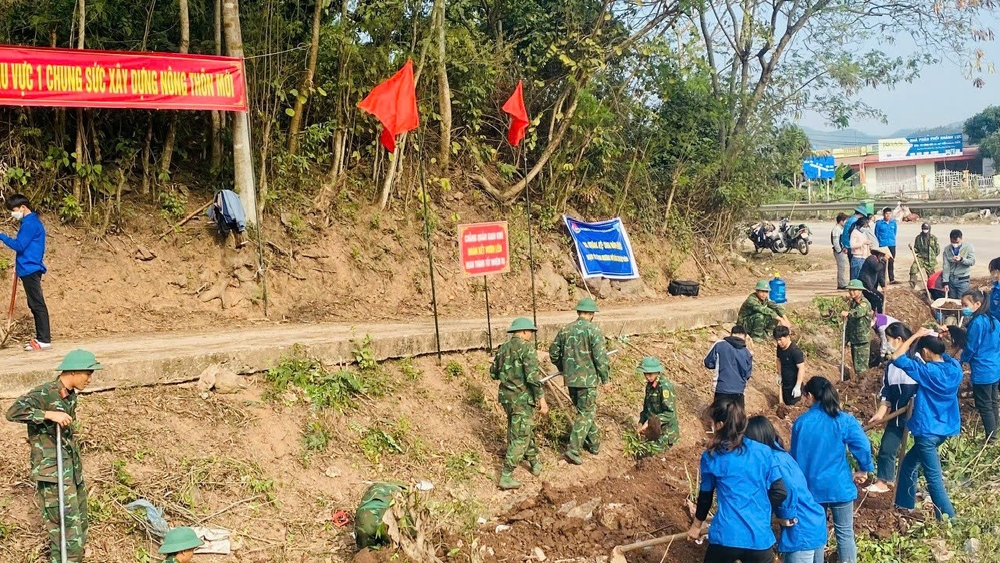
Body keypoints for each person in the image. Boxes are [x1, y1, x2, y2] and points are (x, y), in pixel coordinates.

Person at [5, 349, 103, 563]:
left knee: (79, 527)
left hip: (70, 470)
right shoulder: (45, 392)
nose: (90, 379)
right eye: (88, 373)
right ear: (74, 372)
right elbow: (12, 412)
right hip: (53, 472)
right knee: (65, 532)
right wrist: (48, 414)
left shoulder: (70, 397)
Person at [687, 400, 787, 563]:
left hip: (727, 535)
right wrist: (762, 512)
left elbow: (706, 496)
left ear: (719, 425)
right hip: (759, 538)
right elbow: (780, 490)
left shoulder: (712, 456)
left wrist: (696, 526)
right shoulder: (763, 452)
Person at [790, 377, 873, 563]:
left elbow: (794, 457)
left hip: (811, 488)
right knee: (844, 532)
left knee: (817, 533)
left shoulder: (801, 423)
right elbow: (863, 445)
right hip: (839, 485)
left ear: (809, 395)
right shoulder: (843, 420)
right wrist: (864, 468)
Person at [889, 329, 961, 520]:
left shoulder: (927, 371)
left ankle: (949, 519)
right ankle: (904, 505)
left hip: (927, 431)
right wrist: (936, 338)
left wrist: (916, 335)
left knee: (934, 479)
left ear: (927, 351)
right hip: (944, 429)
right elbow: (943, 355)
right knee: (908, 464)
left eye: (922, 352)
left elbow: (897, 357)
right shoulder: (954, 369)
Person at [745, 416, 827, 563]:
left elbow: (787, 490)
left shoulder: (773, 461)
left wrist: (784, 515)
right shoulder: (782, 454)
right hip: (813, 523)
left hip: (801, 527)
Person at [548, 298, 609, 466]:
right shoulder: (594, 331)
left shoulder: (565, 330)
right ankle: (573, 450)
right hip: (587, 380)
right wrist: (606, 379)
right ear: (591, 314)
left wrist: (564, 367)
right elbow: (600, 358)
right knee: (586, 413)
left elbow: (553, 352)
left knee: (583, 412)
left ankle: (595, 443)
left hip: (571, 380)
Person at [490, 317, 548, 489]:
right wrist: (542, 400)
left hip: (506, 398)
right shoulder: (527, 349)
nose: (531, 334)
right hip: (521, 399)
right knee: (521, 436)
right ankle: (506, 475)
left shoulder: (503, 348)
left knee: (522, 429)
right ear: (523, 332)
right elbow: (532, 378)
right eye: (530, 331)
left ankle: (534, 462)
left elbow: (493, 373)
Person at [864, 322, 918, 494]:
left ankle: (908, 485)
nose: (886, 343)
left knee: (916, 454)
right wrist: (880, 412)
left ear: (899, 340)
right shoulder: (891, 366)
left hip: (916, 416)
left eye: (888, 340)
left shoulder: (916, 360)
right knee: (887, 448)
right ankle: (884, 481)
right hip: (896, 414)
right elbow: (886, 391)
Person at [0, 194, 51, 351]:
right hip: (27, 267)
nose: (12, 214)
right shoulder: (29, 222)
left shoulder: (30, 224)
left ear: (23, 207)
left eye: (14, 210)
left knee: (37, 303)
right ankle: (42, 338)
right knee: (34, 303)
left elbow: (20, 245)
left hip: (31, 268)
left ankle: (44, 340)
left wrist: (1, 236)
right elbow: (26, 249)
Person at [957, 289, 1000, 441]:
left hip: (983, 370)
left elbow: (971, 347)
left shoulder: (977, 323)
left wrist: (961, 360)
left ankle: (991, 438)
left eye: (965, 304)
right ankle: (995, 431)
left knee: (984, 405)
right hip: (994, 367)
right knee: (993, 401)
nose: (963, 308)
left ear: (977, 304)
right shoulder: (993, 320)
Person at [636, 357, 680, 451]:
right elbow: (646, 408)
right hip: (653, 429)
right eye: (645, 374)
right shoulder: (649, 386)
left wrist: (650, 422)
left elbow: (670, 413)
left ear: (657, 372)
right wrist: (641, 423)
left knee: (655, 457)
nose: (647, 377)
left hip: (666, 431)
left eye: (650, 374)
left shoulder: (664, 387)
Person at [704, 325, 753, 408]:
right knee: (738, 420)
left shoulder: (720, 345)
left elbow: (708, 362)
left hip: (722, 389)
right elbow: (747, 375)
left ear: (731, 334)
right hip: (739, 393)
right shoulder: (747, 353)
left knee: (720, 419)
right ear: (745, 338)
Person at [841, 280, 873, 378]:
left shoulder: (864, 303)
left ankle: (863, 386)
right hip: (854, 339)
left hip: (862, 340)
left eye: (854, 290)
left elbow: (858, 313)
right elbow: (850, 324)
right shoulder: (853, 303)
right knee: (856, 365)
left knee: (861, 368)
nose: (851, 292)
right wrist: (846, 339)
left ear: (860, 291)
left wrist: (848, 313)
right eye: (850, 290)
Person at [773, 326, 805, 407]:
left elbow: (801, 368)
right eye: (777, 340)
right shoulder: (780, 348)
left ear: (787, 337)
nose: (778, 342)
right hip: (785, 383)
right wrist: (779, 375)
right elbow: (778, 360)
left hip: (794, 384)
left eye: (780, 339)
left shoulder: (795, 351)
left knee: (793, 407)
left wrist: (798, 386)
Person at [942, 229, 975, 299]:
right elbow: (946, 266)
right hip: (951, 280)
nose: (955, 244)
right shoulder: (947, 249)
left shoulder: (968, 247)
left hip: (963, 280)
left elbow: (972, 261)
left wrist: (962, 259)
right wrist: (945, 282)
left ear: (961, 239)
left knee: (963, 301)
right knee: (953, 303)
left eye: (957, 242)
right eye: (953, 242)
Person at [858, 247, 890, 313]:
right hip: (866, 285)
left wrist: (883, 285)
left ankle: (874, 316)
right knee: (880, 298)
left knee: (873, 301)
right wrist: (884, 260)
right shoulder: (871, 258)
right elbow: (876, 268)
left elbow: (880, 275)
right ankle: (880, 318)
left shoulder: (880, 263)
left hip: (871, 285)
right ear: (880, 254)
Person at [910, 223, 940, 288]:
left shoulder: (933, 238)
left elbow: (937, 250)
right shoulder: (918, 238)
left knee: (931, 276)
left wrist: (932, 257)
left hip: (930, 259)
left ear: (929, 229)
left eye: (926, 229)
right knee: (913, 268)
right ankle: (912, 285)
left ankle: (931, 288)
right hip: (921, 257)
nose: (925, 230)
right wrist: (912, 248)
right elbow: (916, 249)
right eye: (923, 229)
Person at [874, 207, 898, 284]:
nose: (888, 215)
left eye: (889, 213)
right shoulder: (879, 223)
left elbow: (894, 232)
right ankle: (882, 280)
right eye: (886, 214)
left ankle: (892, 278)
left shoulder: (893, 223)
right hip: (883, 245)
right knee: (882, 262)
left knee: (891, 262)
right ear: (883, 214)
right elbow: (876, 234)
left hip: (892, 244)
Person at [832, 213, 849, 289]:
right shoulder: (836, 229)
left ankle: (841, 283)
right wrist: (840, 251)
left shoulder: (840, 229)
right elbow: (836, 241)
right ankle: (841, 284)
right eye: (845, 221)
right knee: (841, 268)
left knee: (843, 267)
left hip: (842, 251)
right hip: (839, 252)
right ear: (841, 221)